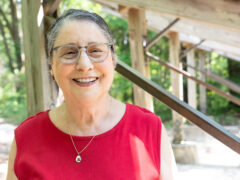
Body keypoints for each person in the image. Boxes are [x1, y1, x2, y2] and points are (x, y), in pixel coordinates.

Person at [7, 9, 177, 180]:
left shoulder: (149, 129)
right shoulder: (26, 137)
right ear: (52, 65)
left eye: (95, 51)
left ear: (113, 60)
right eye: (70, 52)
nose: (84, 64)